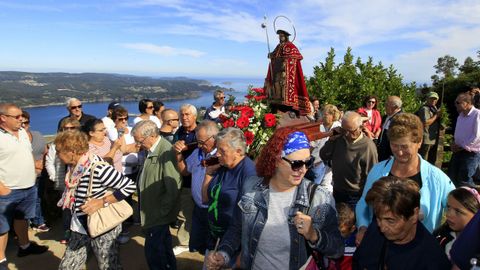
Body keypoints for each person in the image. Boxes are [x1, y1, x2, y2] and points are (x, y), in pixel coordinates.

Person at [205, 128, 343, 270]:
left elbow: (337, 250)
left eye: (308, 162)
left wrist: (313, 235)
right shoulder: (251, 186)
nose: (303, 170)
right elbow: (237, 228)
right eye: (296, 164)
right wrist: (223, 254)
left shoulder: (319, 198)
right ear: (276, 160)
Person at [356, 113, 455, 245]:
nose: (399, 152)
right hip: (379, 246)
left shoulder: (437, 178)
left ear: (419, 142)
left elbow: (458, 208)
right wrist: (363, 227)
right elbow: (363, 202)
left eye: (404, 146)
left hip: (419, 252)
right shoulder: (378, 171)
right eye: (394, 145)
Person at [55, 130, 136, 270]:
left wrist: (102, 202)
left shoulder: (97, 168)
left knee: (108, 265)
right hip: (79, 224)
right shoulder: (73, 166)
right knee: (67, 266)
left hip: (102, 224)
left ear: (71, 151)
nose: (57, 155)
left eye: (59, 151)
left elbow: (129, 186)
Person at [352, 176, 451, 270]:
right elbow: (358, 262)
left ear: (414, 215)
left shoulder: (432, 260)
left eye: (390, 221)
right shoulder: (375, 229)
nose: (382, 228)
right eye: (378, 218)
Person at [0, 103, 48, 269]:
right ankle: (1, 261)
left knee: (22, 219)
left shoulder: (22, 133)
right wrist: (1, 188)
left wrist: (35, 166)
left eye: (22, 116)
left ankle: (25, 247)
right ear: (3, 118)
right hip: (7, 190)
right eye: (17, 117)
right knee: (2, 227)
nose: (22, 119)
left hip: (29, 186)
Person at [202, 127, 257, 268]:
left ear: (238, 151)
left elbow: (246, 219)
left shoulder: (249, 175)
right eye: (217, 149)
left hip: (233, 246)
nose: (217, 154)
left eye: (222, 151)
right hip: (214, 238)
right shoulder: (222, 166)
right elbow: (205, 199)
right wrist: (208, 174)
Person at [132, 120, 182, 270]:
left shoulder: (165, 152)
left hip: (157, 215)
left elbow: (173, 186)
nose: (138, 145)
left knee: (154, 254)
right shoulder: (153, 150)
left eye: (140, 141)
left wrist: (162, 213)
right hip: (154, 213)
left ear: (152, 136)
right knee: (163, 250)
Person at [174, 120, 219, 255]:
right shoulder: (198, 152)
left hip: (213, 211)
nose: (199, 145)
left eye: (202, 142)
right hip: (199, 209)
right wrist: (178, 155)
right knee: (201, 247)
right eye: (198, 142)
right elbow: (185, 171)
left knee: (213, 248)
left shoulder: (221, 156)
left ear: (214, 138)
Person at [320, 111, 378, 207]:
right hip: (337, 190)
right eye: (344, 130)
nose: (347, 134)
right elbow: (324, 156)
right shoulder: (339, 138)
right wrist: (331, 140)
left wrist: (366, 198)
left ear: (360, 127)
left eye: (351, 131)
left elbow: (372, 175)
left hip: (355, 195)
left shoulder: (368, 147)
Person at [45, 117, 81, 244]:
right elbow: (49, 162)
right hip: (63, 181)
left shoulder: (82, 142)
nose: (69, 130)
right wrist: (54, 176)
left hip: (79, 180)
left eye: (73, 128)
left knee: (80, 207)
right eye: (66, 128)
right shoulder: (56, 144)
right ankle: (67, 232)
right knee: (66, 209)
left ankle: (80, 232)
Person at [264, 29, 311, 116]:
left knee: (283, 87)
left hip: (285, 74)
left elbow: (293, 58)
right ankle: (277, 102)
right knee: (277, 87)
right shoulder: (279, 46)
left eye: (282, 36)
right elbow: (274, 55)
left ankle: (287, 104)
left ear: (286, 37)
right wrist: (271, 55)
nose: (280, 38)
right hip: (277, 72)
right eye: (279, 36)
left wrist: (284, 61)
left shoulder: (291, 46)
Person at [172, 104, 198, 253]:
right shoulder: (180, 131)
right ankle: (184, 242)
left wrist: (187, 147)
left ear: (195, 116)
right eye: (182, 114)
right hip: (185, 180)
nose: (184, 117)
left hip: (199, 177)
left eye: (187, 114)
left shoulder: (200, 131)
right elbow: (174, 147)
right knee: (184, 212)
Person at [21, 111, 49, 232]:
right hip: (23, 175)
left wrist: (42, 164)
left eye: (25, 122)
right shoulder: (12, 140)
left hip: (40, 174)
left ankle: (38, 221)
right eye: (20, 122)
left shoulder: (37, 135)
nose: (22, 125)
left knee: (38, 198)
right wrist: (34, 165)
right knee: (25, 200)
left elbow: (46, 152)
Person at [433, 186, 480, 259]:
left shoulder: (476, 246)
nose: (448, 214)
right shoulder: (439, 236)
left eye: (458, 211)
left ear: (476, 215)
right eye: (448, 207)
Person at [448, 92, 480, 186]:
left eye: (457, 102)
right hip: (458, 151)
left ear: (467, 103)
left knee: (465, 180)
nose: (455, 105)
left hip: (470, 153)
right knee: (452, 177)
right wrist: (453, 144)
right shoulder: (460, 116)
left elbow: (477, 136)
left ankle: (470, 200)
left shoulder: (477, 114)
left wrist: (461, 146)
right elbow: (458, 134)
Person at [310, 104, 342, 192]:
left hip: (329, 160)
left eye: (326, 114)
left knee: (325, 184)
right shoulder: (320, 126)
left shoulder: (337, 127)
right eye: (323, 114)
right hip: (317, 159)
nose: (323, 116)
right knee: (315, 183)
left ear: (332, 116)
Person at [418, 92, 441, 164]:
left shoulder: (433, 108)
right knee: (423, 160)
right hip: (426, 138)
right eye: (431, 98)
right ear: (427, 99)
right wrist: (436, 115)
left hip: (431, 139)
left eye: (435, 99)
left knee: (429, 159)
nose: (433, 100)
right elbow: (426, 123)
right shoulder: (425, 109)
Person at [377, 96, 402, 161]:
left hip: (391, 156)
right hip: (382, 153)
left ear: (395, 107)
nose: (384, 106)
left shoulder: (400, 119)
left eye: (387, 104)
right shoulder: (386, 116)